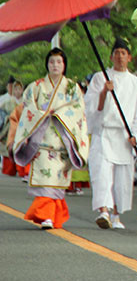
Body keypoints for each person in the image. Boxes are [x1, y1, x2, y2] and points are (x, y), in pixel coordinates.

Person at [12, 48, 89, 229]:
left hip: (63, 141)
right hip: (43, 141)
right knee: (44, 181)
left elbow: (78, 110)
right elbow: (28, 108)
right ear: (47, 64)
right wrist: (45, 114)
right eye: (52, 62)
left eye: (59, 62)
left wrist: (59, 115)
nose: (55, 65)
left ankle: (53, 216)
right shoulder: (36, 87)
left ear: (64, 65)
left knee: (57, 183)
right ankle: (45, 216)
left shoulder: (72, 87)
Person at [85, 37, 137, 229]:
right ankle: (104, 211)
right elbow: (91, 109)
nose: (120, 56)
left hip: (124, 134)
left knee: (122, 178)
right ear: (111, 56)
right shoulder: (101, 77)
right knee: (103, 173)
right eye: (116, 53)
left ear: (129, 57)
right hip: (105, 132)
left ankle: (116, 214)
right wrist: (104, 93)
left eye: (123, 53)